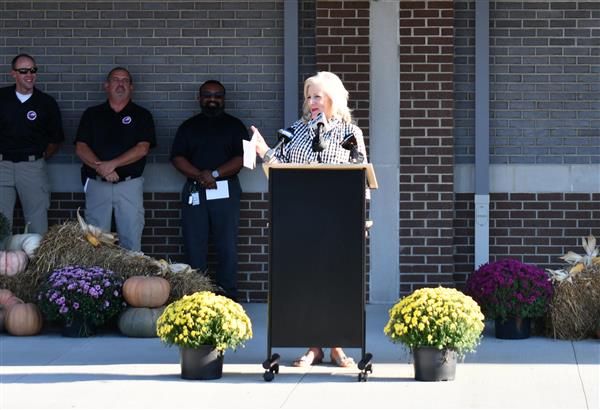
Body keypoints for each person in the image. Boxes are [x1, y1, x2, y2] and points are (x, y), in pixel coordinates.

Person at [252, 71, 368, 368]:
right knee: (308, 282)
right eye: (308, 96)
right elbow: (279, 169)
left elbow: (362, 177)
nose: (312, 102)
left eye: (317, 96)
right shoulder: (295, 130)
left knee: (336, 282)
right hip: (302, 221)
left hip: (338, 222)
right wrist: (265, 151)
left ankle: (337, 346)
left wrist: (361, 220)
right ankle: (313, 347)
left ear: (333, 98)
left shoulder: (350, 133)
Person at [171, 80, 247, 302]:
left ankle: (228, 297)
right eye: (207, 95)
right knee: (195, 245)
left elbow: (241, 159)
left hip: (225, 190)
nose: (212, 99)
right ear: (199, 98)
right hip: (196, 189)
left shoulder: (235, 126)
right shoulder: (188, 126)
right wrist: (199, 176)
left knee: (227, 245)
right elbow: (177, 157)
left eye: (217, 95)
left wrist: (213, 174)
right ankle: (197, 296)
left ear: (224, 98)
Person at [75, 67, 156, 251]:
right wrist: (101, 169)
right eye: (115, 80)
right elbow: (81, 148)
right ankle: (96, 280)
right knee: (95, 243)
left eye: (125, 80)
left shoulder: (142, 115)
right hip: (97, 185)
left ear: (131, 87)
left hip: (129, 186)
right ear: (106, 85)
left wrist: (111, 165)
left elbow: (142, 149)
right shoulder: (92, 114)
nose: (120, 84)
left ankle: (131, 280)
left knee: (131, 241)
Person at [0, 54, 64, 235]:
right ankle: (4, 263)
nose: (30, 75)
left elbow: (55, 139)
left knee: (37, 222)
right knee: (0, 223)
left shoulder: (46, 103)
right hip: (2, 166)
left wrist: (38, 158)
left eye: (33, 70)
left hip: (32, 166)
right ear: (13, 74)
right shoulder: (1, 98)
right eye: (24, 71)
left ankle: (37, 264)